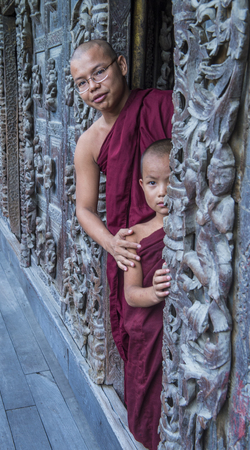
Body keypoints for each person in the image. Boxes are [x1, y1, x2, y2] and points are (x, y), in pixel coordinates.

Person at [71, 37, 173, 402]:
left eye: (99, 71)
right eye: (82, 82)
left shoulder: (163, 106)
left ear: (122, 66)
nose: (92, 86)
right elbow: (84, 208)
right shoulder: (89, 142)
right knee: (143, 346)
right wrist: (112, 243)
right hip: (132, 253)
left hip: (176, 243)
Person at [123, 140, 171, 449]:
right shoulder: (137, 235)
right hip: (149, 328)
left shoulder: (196, 226)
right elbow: (130, 294)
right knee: (149, 386)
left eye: (171, 181)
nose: (162, 191)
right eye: (153, 183)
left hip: (179, 331)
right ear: (142, 186)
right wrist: (154, 293)